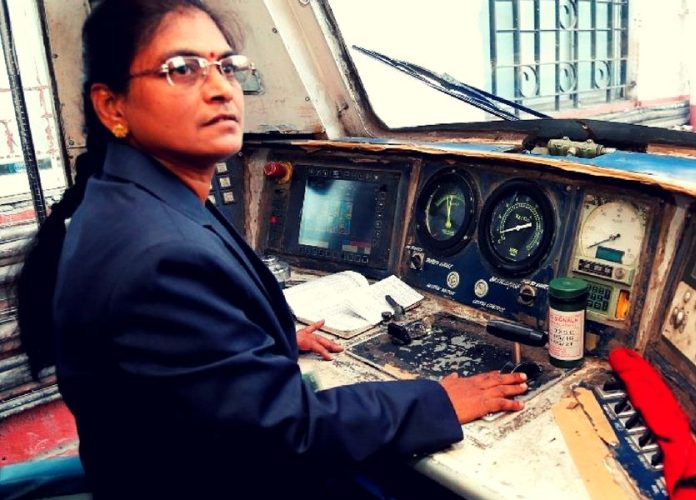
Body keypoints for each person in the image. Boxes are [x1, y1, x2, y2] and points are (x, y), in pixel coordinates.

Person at [15, 1, 527, 498]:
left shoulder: (126, 200)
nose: (220, 90)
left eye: (227, 67)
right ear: (112, 105)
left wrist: (260, 338)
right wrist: (437, 400)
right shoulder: (158, 255)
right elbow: (288, 434)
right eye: (184, 69)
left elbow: (190, 364)